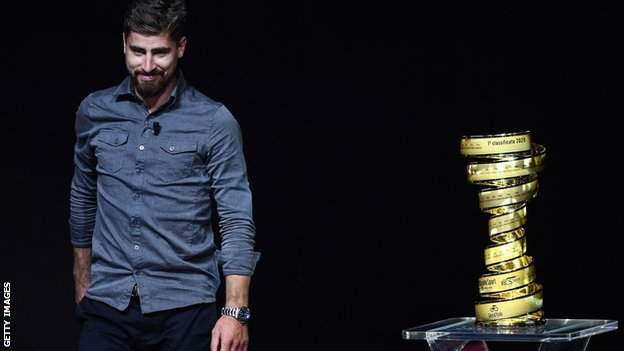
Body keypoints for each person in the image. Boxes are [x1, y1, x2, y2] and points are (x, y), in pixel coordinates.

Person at [69, 1, 260, 350]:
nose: (146, 65)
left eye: (160, 53)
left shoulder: (214, 121)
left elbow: (235, 218)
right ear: (123, 43)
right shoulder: (94, 111)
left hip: (186, 307)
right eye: (137, 51)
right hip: (108, 302)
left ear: (181, 48)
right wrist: (82, 279)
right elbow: (83, 197)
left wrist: (236, 312)